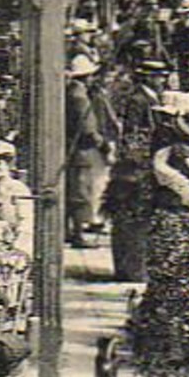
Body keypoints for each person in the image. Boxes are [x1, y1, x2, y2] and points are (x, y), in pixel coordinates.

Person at [64, 55, 118, 246]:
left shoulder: (74, 92)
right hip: (82, 149)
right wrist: (103, 144)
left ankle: (70, 230)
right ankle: (78, 234)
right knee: (80, 192)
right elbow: (88, 128)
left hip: (76, 147)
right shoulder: (79, 97)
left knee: (76, 189)